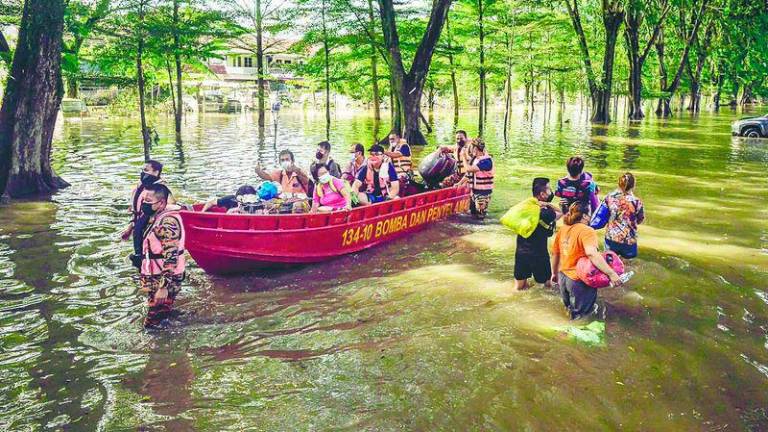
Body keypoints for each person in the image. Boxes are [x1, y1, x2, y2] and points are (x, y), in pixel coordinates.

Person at [551, 202, 622, 320]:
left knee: (569, 311)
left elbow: (555, 254)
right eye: (590, 213)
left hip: (563, 278)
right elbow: (591, 253)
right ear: (584, 216)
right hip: (579, 281)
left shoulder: (563, 229)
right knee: (582, 317)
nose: (591, 216)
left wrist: (554, 273)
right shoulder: (587, 231)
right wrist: (611, 273)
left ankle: (565, 332)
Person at [138, 184, 186, 328]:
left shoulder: (168, 222)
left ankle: (161, 348)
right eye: (143, 200)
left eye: (148, 201)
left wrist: (163, 287)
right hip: (156, 276)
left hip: (164, 279)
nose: (144, 204)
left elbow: (171, 256)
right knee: (162, 317)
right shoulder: (157, 216)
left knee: (152, 325)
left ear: (162, 203)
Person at [514, 178, 562, 290]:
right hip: (539, 255)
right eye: (549, 189)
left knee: (519, 288)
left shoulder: (524, 208)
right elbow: (561, 212)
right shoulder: (547, 213)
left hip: (521, 253)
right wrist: (548, 204)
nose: (551, 191)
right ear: (542, 194)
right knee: (547, 287)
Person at [121, 160, 164, 269]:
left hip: (151, 230)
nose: (143, 173)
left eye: (146, 170)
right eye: (142, 170)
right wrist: (130, 228)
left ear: (156, 172)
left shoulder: (161, 190)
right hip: (140, 228)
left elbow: (167, 210)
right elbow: (137, 211)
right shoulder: (140, 187)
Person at [603, 173, 645, 258]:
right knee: (628, 266)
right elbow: (640, 219)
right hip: (629, 240)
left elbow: (604, 215)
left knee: (610, 264)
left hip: (611, 238)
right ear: (633, 186)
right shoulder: (637, 202)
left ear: (619, 184)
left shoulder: (609, 198)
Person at [458, 138, 494, 220]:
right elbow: (469, 174)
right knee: (472, 213)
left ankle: (483, 231)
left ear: (475, 148)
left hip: (483, 193)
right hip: (474, 191)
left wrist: (463, 157)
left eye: (471, 147)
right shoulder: (475, 159)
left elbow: (468, 169)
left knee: (480, 216)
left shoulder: (486, 161)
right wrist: (459, 183)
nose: (469, 149)